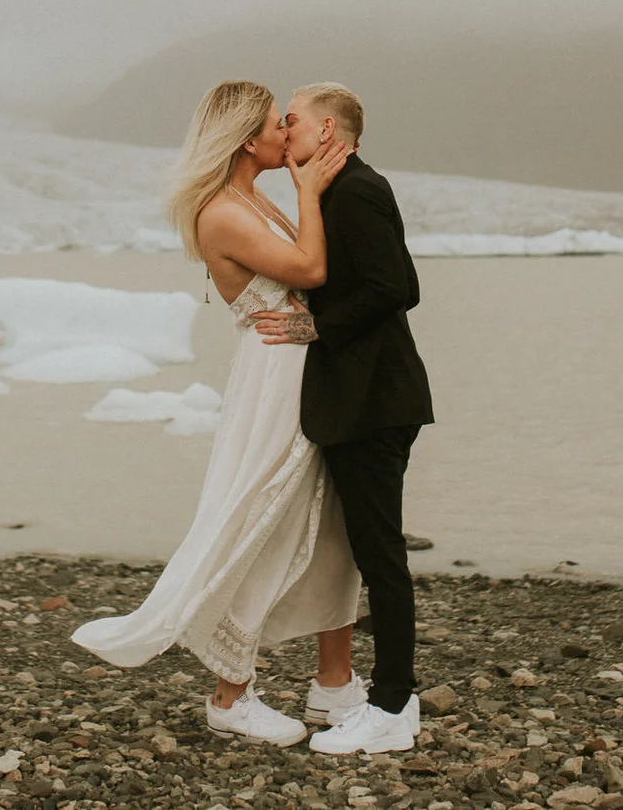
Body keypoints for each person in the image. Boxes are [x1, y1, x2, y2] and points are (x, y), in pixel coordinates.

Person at [70, 79, 365, 746]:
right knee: (259, 517)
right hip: (275, 375)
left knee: (329, 523)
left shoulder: (253, 198)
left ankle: (335, 682)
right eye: (275, 123)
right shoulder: (222, 212)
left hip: (301, 364)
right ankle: (231, 694)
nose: (285, 133)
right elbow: (310, 270)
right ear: (245, 139)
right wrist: (310, 192)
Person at [253, 82, 434, 756]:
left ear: (327, 129)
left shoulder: (357, 190)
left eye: (293, 120)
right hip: (362, 400)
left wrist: (315, 327)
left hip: (375, 401)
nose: (285, 130)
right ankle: (383, 700)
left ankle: (391, 706)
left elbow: (398, 286)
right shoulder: (337, 190)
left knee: (380, 554)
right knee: (370, 550)